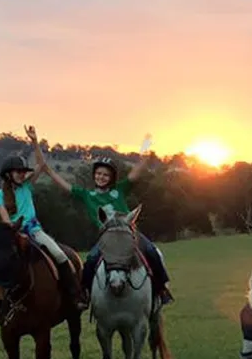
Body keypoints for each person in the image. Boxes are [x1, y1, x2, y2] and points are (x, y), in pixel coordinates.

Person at [33, 131, 173, 310]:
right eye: (98, 174)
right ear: (94, 175)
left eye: (105, 175)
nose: (101, 177)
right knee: (91, 260)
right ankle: (85, 295)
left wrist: (144, 157)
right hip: (107, 237)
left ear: (112, 178)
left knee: (152, 252)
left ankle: (162, 289)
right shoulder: (87, 195)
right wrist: (49, 171)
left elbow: (135, 174)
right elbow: (64, 185)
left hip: (128, 233)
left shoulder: (119, 189)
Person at [0, 126, 81, 321]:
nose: (21, 174)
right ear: (8, 174)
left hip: (35, 231)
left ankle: (75, 296)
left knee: (60, 255)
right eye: (17, 172)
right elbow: (5, 219)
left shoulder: (27, 185)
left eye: (22, 171)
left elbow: (42, 165)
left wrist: (35, 142)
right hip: (14, 235)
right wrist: (14, 234)